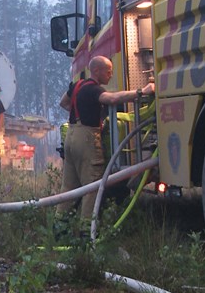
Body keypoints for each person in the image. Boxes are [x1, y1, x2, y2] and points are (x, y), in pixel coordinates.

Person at [58, 56, 155, 225]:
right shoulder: (94, 89)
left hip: (71, 135)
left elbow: (63, 103)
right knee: (92, 186)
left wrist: (82, 111)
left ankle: (59, 228)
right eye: (108, 71)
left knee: (69, 187)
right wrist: (142, 91)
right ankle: (87, 232)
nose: (110, 75)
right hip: (87, 138)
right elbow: (112, 99)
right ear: (96, 71)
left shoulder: (77, 86)